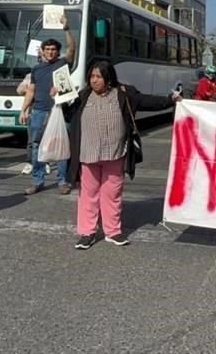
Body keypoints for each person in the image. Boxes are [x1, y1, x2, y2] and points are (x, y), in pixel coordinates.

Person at [63, 61, 180, 250]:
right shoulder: (83, 95)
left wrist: (170, 99)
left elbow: (146, 102)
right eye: (92, 77)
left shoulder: (123, 94)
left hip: (115, 153)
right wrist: (59, 99)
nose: (94, 81)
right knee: (88, 195)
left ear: (109, 78)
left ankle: (113, 231)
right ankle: (87, 232)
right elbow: (69, 115)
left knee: (112, 194)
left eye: (98, 77)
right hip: (87, 154)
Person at [19, 18, 76, 196]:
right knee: (36, 146)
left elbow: (72, 49)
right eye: (48, 49)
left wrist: (66, 29)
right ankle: (37, 181)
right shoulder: (36, 69)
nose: (50, 52)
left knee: (60, 146)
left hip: (58, 111)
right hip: (38, 111)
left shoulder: (62, 64)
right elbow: (31, 90)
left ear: (58, 52)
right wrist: (24, 109)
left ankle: (62, 181)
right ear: (42, 51)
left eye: (54, 50)